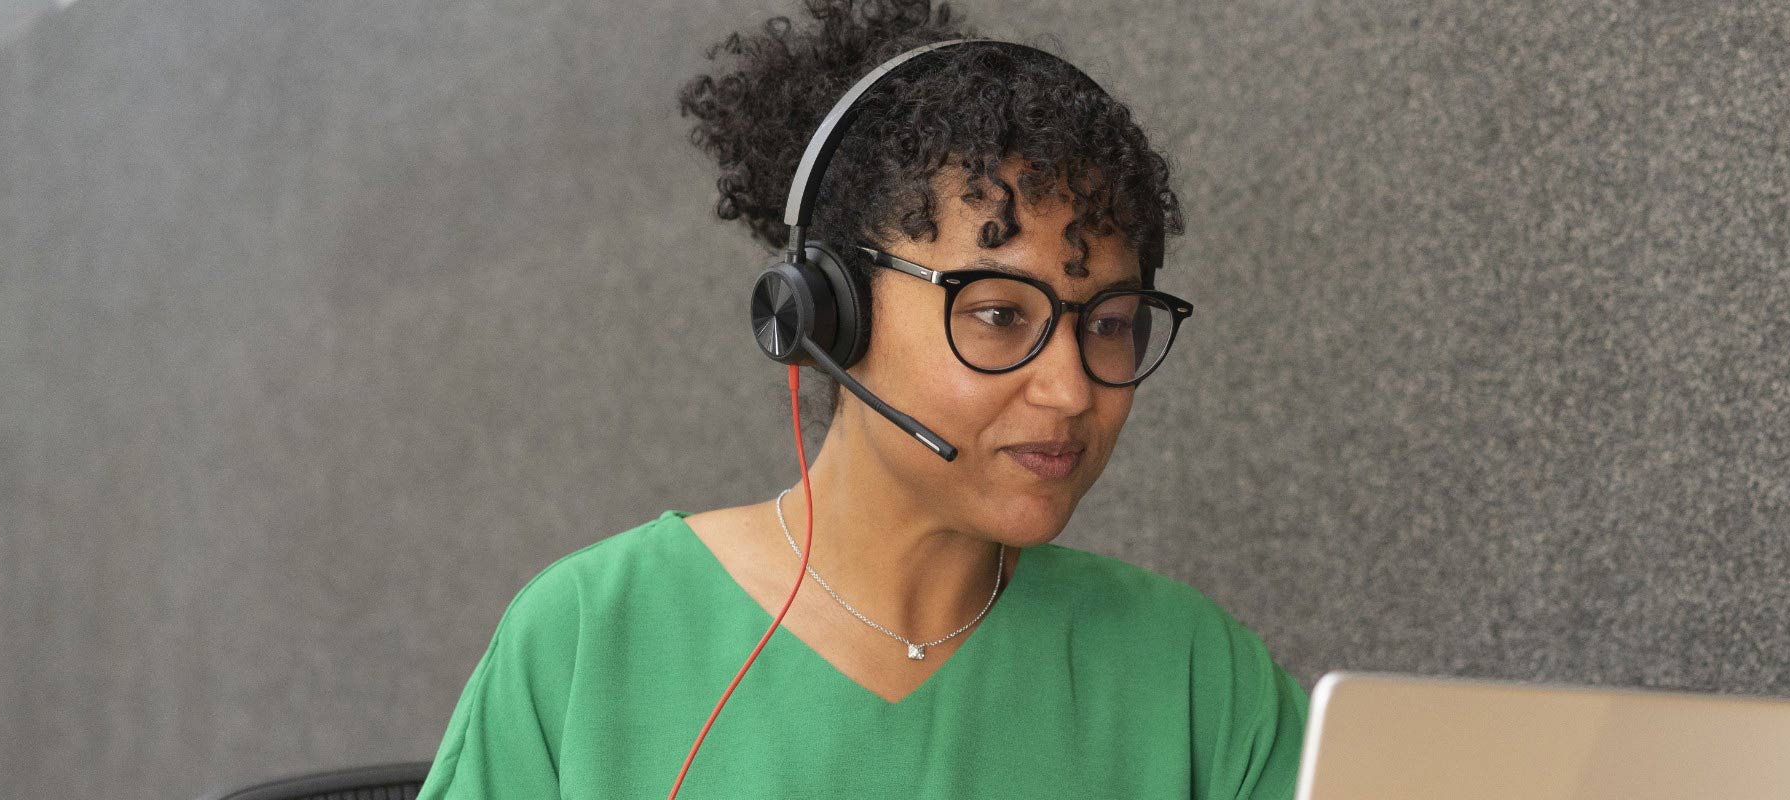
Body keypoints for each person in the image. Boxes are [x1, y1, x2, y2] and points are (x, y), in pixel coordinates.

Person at [414, 1, 1308, 797]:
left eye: (1110, 323)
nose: (1071, 389)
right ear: (828, 315)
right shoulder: (590, 637)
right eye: (999, 315)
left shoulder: (1200, 679)